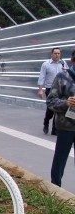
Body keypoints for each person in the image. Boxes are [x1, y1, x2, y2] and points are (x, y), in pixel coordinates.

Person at [46, 50, 75, 187]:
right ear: (73, 61)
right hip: (66, 127)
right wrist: (66, 103)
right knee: (60, 160)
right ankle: (55, 188)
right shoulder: (62, 77)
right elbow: (50, 101)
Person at [38, 47, 68, 135]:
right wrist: (40, 90)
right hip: (50, 89)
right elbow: (42, 77)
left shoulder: (63, 63)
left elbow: (67, 75)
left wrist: (66, 71)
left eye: (58, 53)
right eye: (55, 53)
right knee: (51, 109)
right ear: (51, 54)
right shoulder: (46, 64)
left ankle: (55, 129)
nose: (57, 55)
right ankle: (46, 122)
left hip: (62, 90)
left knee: (59, 109)